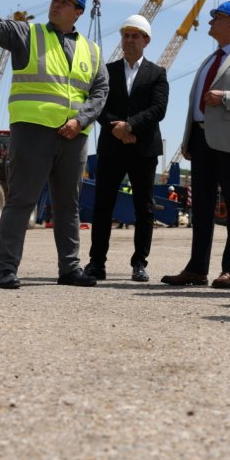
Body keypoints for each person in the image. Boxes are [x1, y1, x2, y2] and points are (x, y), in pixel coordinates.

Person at [0, 0, 108, 289]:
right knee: (21, 201)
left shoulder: (92, 51)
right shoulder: (28, 34)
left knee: (68, 205)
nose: (56, 5)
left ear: (78, 12)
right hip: (33, 132)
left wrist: (80, 120)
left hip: (74, 137)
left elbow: (100, 91)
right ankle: (6, 269)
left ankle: (70, 269)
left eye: (65, 2)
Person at [161, 1, 230, 289]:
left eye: (216, 18)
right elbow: (194, 102)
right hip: (200, 140)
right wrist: (188, 138)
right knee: (201, 207)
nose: (210, 22)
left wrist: (227, 97)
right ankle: (197, 269)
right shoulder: (210, 59)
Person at [83, 15, 168, 284]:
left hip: (143, 149)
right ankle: (97, 263)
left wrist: (129, 126)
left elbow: (158, 109)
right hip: (112, 147)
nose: (129, 40)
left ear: (146, 40)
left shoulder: (157, 73)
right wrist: (116, 128)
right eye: (126, 36)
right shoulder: (107, 71)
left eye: (135, 36)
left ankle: (139, 263)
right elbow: (97, 103)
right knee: (102, 206)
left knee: (144, 207)